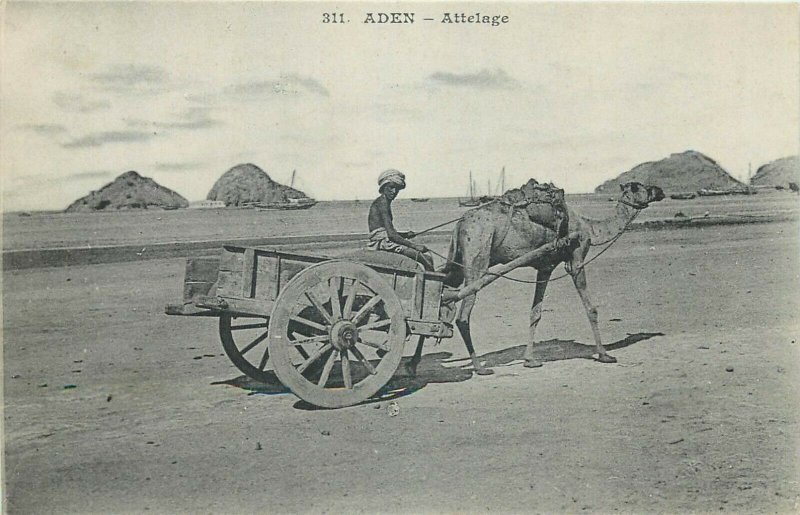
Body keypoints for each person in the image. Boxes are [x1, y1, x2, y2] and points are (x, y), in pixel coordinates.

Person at [367, 169, 434, 270]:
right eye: (391, 187)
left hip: (386, 240)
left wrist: (406, 235)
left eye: (397, 189)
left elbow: (386, 232)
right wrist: (415, 246)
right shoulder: (383, 203)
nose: (394, 192)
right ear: (383, 187)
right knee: (425, 260)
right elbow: (391, 235)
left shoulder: (383, 202)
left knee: (428, 258)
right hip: (383, 244)